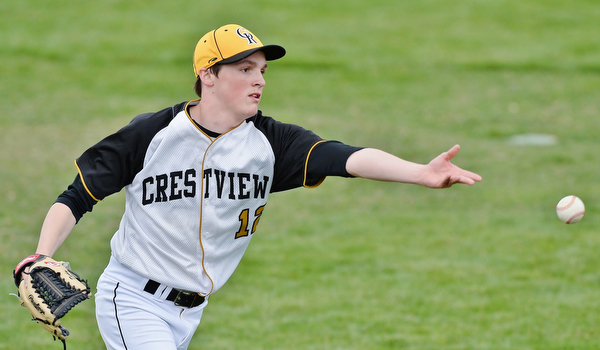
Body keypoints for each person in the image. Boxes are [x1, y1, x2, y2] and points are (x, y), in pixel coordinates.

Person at [16, 24, 482, 349]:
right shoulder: (152, 135)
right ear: (207, 76)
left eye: (261, 70)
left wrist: (419, 172)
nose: (258, 79)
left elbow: (346, 158)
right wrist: (40, 254)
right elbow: (77, 196)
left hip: (190, 311)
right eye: (244, 69)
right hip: (133, 298)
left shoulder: (270, 142)